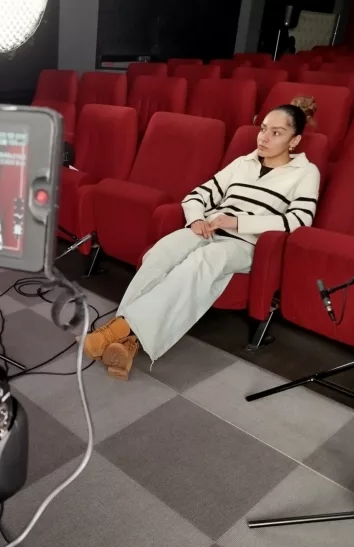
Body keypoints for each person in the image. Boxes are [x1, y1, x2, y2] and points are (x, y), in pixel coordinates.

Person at [83, 98, 321, 380]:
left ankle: (117, 329)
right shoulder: (243, 163)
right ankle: (127, 341)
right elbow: (197, 195)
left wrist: (236, 221)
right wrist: (196, 219)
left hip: (247, 245)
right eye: (263, 129)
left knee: (203, 260)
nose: (264, 138)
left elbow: (299, 221)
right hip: (209, 229)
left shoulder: (306, 172)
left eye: (276, 133)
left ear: (294, 141)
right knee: (163, 250)